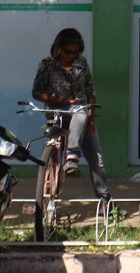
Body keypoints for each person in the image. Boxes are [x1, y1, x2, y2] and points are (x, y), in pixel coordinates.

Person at [32, 28, 110, 201]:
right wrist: (64, 101)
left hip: (81, 116)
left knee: (97, 160)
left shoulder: (81, 64)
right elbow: (37, 92)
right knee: (78, 110)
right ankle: (64, 163)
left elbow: (90, 90)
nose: (71, 56)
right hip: (57, 113)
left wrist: (92, 120)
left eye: (75, 52)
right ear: (59, 49)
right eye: (68, 52)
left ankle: (105, 204)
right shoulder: (47, 65)